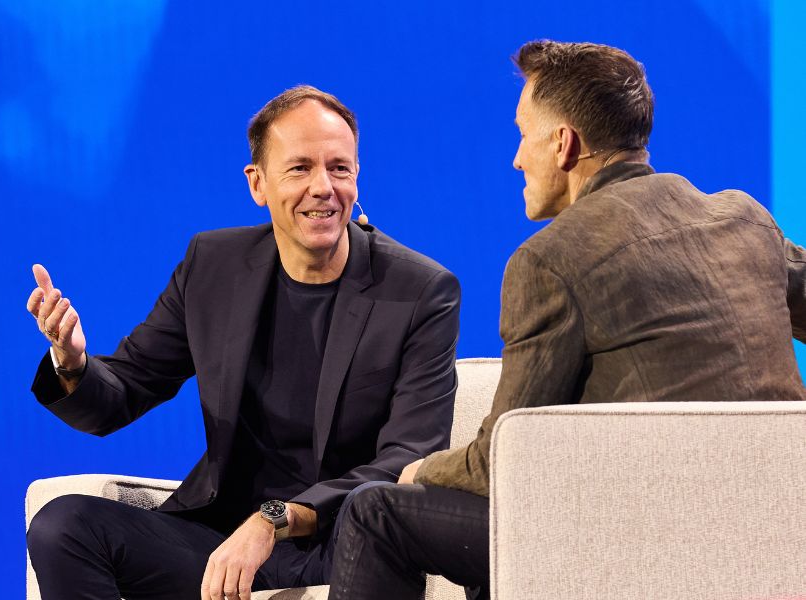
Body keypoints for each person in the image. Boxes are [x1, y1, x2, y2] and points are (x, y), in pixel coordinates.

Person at [328, 40, 806, 600]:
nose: (516, 158)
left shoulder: (551, 259)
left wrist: (420, 472)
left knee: (376, 512)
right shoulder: (745, 220)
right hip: (778, 525)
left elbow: (499, 464)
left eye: (522, 134)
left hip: (637, 538)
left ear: (563, 143)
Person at [25, 85, 461, 600]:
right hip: (219, 540)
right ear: (258, 183)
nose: (323, 187)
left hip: (342, 544)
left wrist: (274, 519)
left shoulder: (418, 291)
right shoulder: (214, 265)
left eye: (339, 168)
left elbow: (408, 459)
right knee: (63, 526)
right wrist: (71, 362)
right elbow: (123, 392)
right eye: (300, 168)